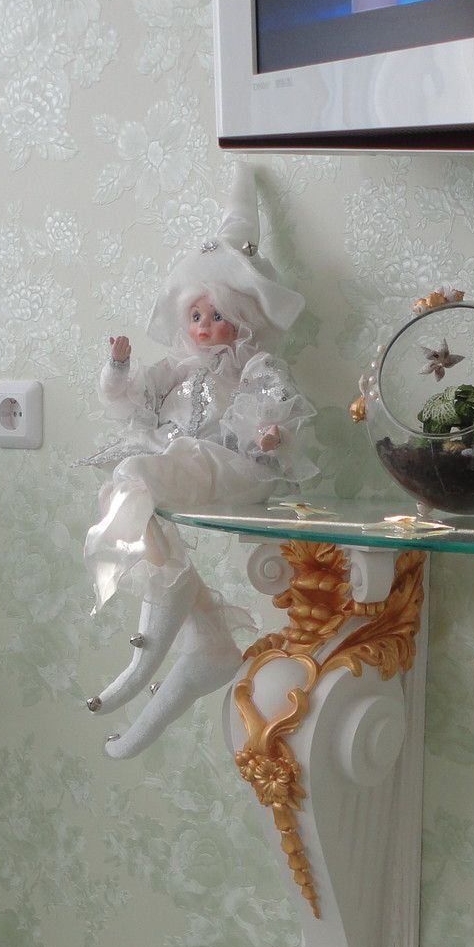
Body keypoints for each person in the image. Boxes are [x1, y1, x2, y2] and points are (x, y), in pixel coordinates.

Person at [81, 164, 313, 760]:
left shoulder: (251, 366)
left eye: (217, 315)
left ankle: (160, 630)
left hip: (233, 467)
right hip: (187, 462)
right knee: (128, 486)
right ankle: (205, 635)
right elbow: (128, 402)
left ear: (242, 318)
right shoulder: (176, 370)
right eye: (196, 316)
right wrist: (118, 367)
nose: (205, 327)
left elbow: (277, 404)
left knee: (135, 476)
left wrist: (270, 433)